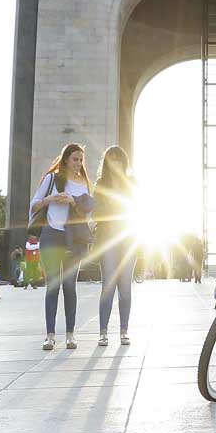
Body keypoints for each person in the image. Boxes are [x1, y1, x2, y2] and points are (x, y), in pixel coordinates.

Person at [30, 143, 92, 351]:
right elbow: (34, 205)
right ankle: (49, 335)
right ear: (66, 159)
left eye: (81, 160)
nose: (78, 163)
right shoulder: (51, 179)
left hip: (73, 238)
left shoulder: (83, 182)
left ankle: (70, 334)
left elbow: (88, 213)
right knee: (53, 285)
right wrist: (50, 199)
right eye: (75, 159)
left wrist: (73, 201)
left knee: (70, 286)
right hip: (51, 234)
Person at [92, 145, 137, 347]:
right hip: (108, 241)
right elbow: (96, 212)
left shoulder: (132, 183)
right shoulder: (101, 184)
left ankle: (124, 331)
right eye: (112, 159)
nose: (116, 163)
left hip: (127, 242)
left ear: (124, 162)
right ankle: (103, 332)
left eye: (119, 159)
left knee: (125, 289)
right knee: (107, 288)